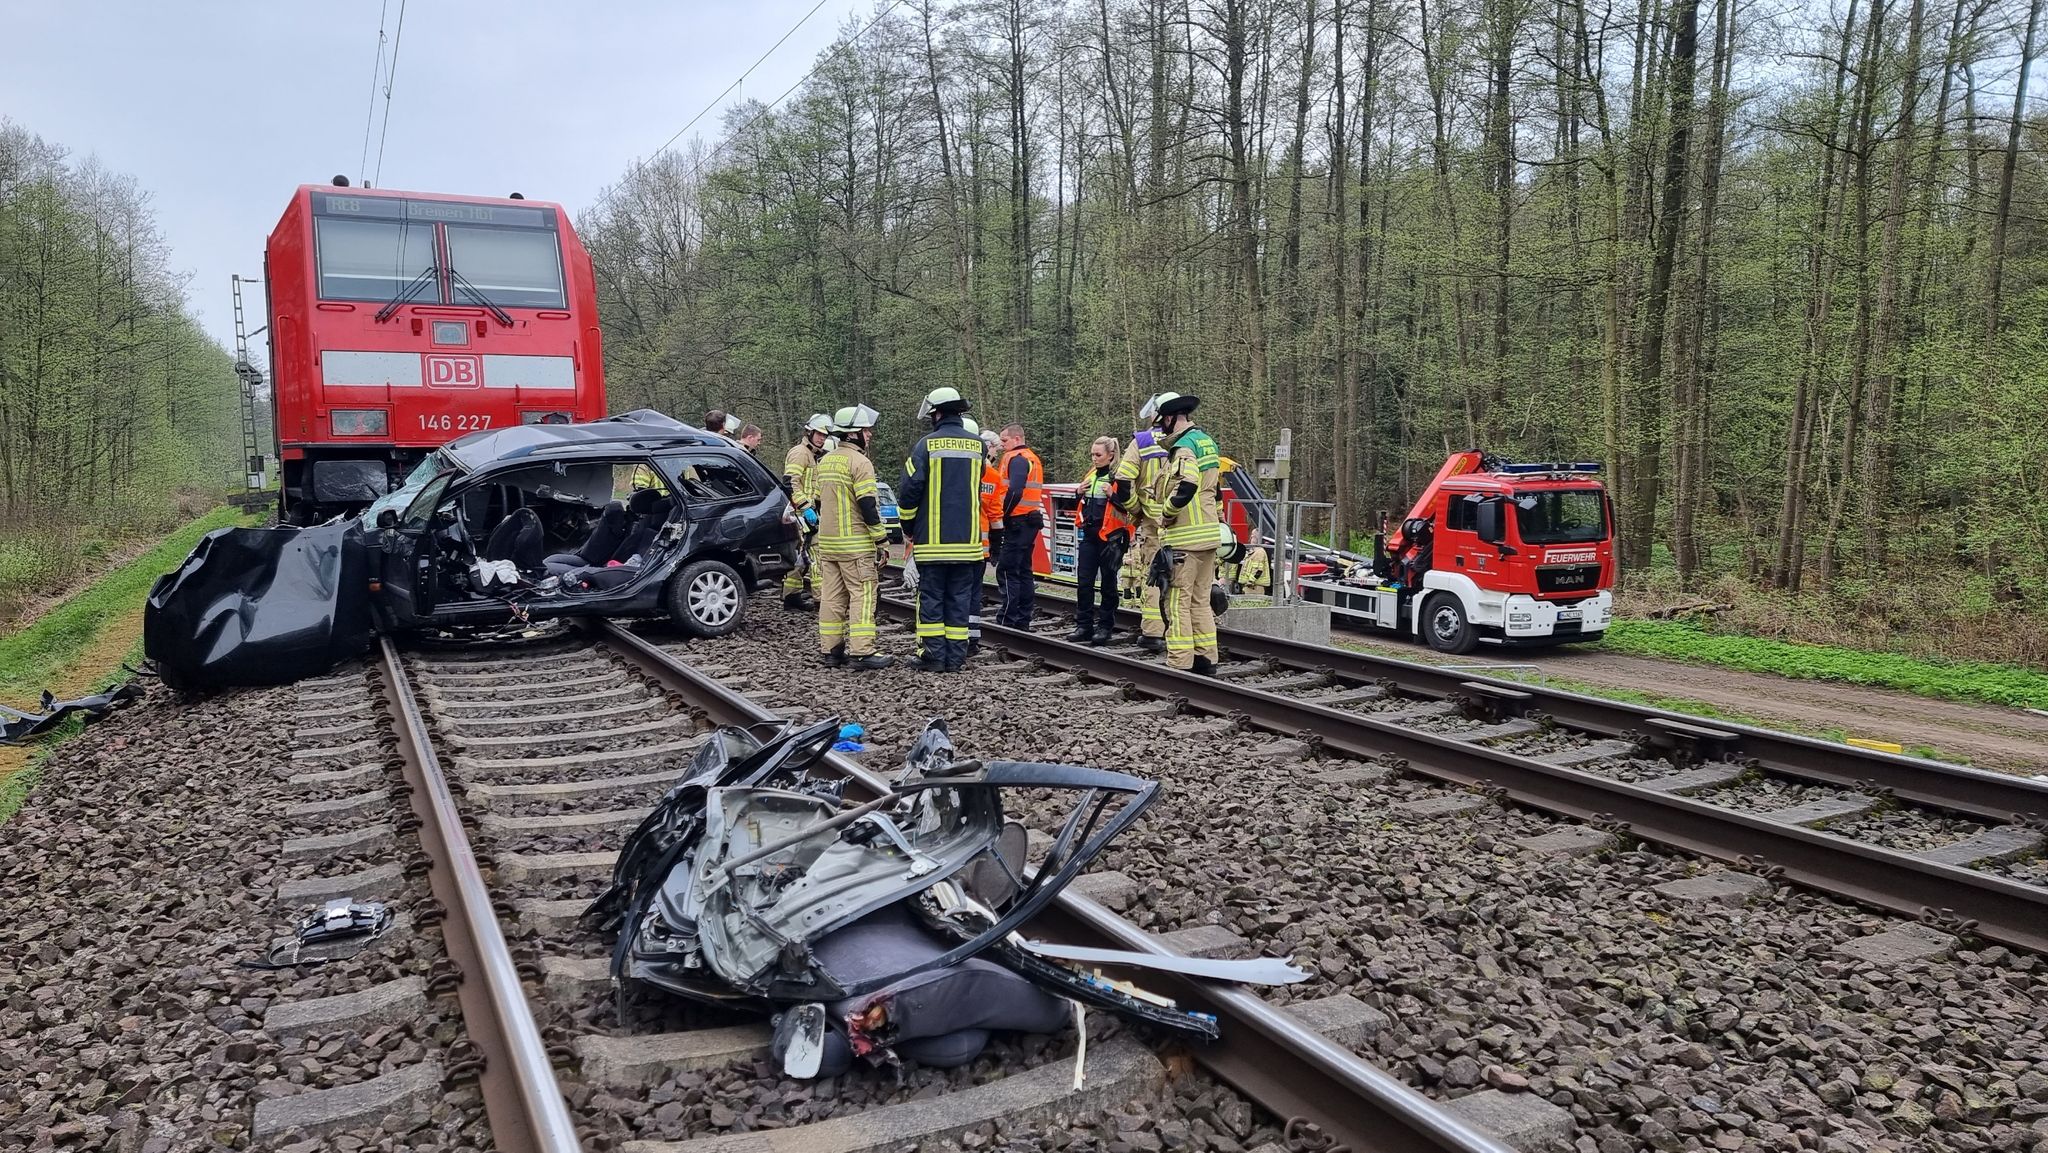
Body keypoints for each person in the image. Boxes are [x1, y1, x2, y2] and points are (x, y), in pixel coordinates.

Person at [898, 387, 986, 672]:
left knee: (932, 599)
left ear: (936, 413)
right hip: (968, 544)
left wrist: (908, 527)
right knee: (960, 600)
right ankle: (956, 658)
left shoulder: (926, 445)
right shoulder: (978, 446)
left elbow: (910, 491)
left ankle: (934, 657)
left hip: (933, 544)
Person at [1149, 392, 1223, 675]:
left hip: (1185, 540)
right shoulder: (1207, 442)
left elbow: (1188, 484)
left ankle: (1179, 663)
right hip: (1207, 537)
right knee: (1200, 601)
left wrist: (1166, 513)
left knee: (1177, 603)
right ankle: (1206, 660)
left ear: (1169, 419)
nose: (1160, 429)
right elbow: (1213, 490)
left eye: (1161, 423)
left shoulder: (1183, 447)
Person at [814, 405, 892, 670]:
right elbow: (868, 504)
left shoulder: (825, 460)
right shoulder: (860, 462)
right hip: (855, 545)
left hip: (828, 545)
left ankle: (831, 651)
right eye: (865, 430)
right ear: (852, 434)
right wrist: (881, 540)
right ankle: (862, 652)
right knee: (863, 595)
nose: (869, 434)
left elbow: (818, 500)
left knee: (832, 597)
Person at [1114, 396, 1171, 652]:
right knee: (1188, 578)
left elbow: (1123, 480)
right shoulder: (1196, 439)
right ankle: (1187, 631)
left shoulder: (1143, 441)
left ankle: (1154, 632)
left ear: (1156, 415)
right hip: (1191, 522)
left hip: (1155, 522)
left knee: (1155, 575)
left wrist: (1136, 509)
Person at [1069, 436, 1130, 645]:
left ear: (1110, 456)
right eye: (1092, 455)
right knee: (1084, 583)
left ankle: (1105, 626)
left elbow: (1130, 507)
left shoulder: (1118, 478)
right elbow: (1083, 503)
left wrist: (1113, 495)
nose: (1094, 459)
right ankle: (1084, 625)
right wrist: (1078, 492)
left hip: (1110, 539)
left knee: (1108, 584)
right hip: (1089, 536)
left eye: (1098, 455)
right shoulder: (1091, 475)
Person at [993, 423, 1044, 629]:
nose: (1002, 445)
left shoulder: (1018, 459)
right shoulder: (1032, 458)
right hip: (1029, 521)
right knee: (1024, 571)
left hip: (1017, 521)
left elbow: (1015, 490)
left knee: (1007, 570)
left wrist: (1003, 515)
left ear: (1016, 439)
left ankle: (1008, 619)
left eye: (1004, 441)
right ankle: (1023, 619)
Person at [781, 413, 832, 610]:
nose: (822, 438)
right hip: (802, 513)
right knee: (816, 553)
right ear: (809, 432)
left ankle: (791, 596)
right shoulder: (800, 453)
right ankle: (822, 599)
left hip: (807, 512)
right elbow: (790, 483)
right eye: (819, 434)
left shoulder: (813, 455)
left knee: (801, 557)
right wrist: (806, 507)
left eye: (824, 436)